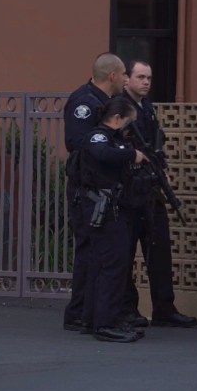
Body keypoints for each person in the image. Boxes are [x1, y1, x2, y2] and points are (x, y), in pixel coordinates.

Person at [119, 60, 197, 328]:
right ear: (126, 79)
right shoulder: (120, 107)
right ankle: (128, 309)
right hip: (129, 191)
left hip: (151, 189)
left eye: (149, 78)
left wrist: (162, 168)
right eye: (140, 77)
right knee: (126, 252)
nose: (145, 82)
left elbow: (155, 144)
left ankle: (164, 307)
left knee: (160, 250)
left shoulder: (148, 108)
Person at [62, 53, 128, 332]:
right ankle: (78, 313)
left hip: (100, 188)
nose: (127, 79)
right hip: (86, 189)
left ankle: (88, 313)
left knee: (96, 253)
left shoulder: (104, 103)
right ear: (112, 76)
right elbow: (77, 143)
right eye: (124, 74)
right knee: (89, 252)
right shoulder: (85, 104)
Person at [77, 97, 147, 342]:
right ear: (117, 119)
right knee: (112, 268)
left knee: (102, 265)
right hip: (105, 211)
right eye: (129, 122)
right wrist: (131, 154)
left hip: (114, 209)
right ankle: (105, 323)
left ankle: (95, 319)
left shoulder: (115, 140)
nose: (131, 128)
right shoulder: (98, 137)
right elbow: (102, 153)